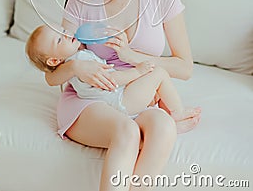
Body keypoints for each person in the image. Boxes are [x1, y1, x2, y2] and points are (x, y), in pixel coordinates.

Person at [44, 0, 201, 191]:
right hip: (89, 100)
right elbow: (53, 71)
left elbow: (185, 67)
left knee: (164, 125)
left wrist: (131, 55)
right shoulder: (80, 1)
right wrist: (76, 69)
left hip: (136, 95)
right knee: (126, 131)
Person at [26, 24, 200, 124]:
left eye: (62, 31)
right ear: (54, 61)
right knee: (159, 73)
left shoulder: (72, 64)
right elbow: (113, 79)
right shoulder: (81, 58)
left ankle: (165, 113)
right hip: (120, 102)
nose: (66, 34)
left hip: (113, 103)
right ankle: (177, 112)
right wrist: (138, 71)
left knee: (152, 86)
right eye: (59, 39)